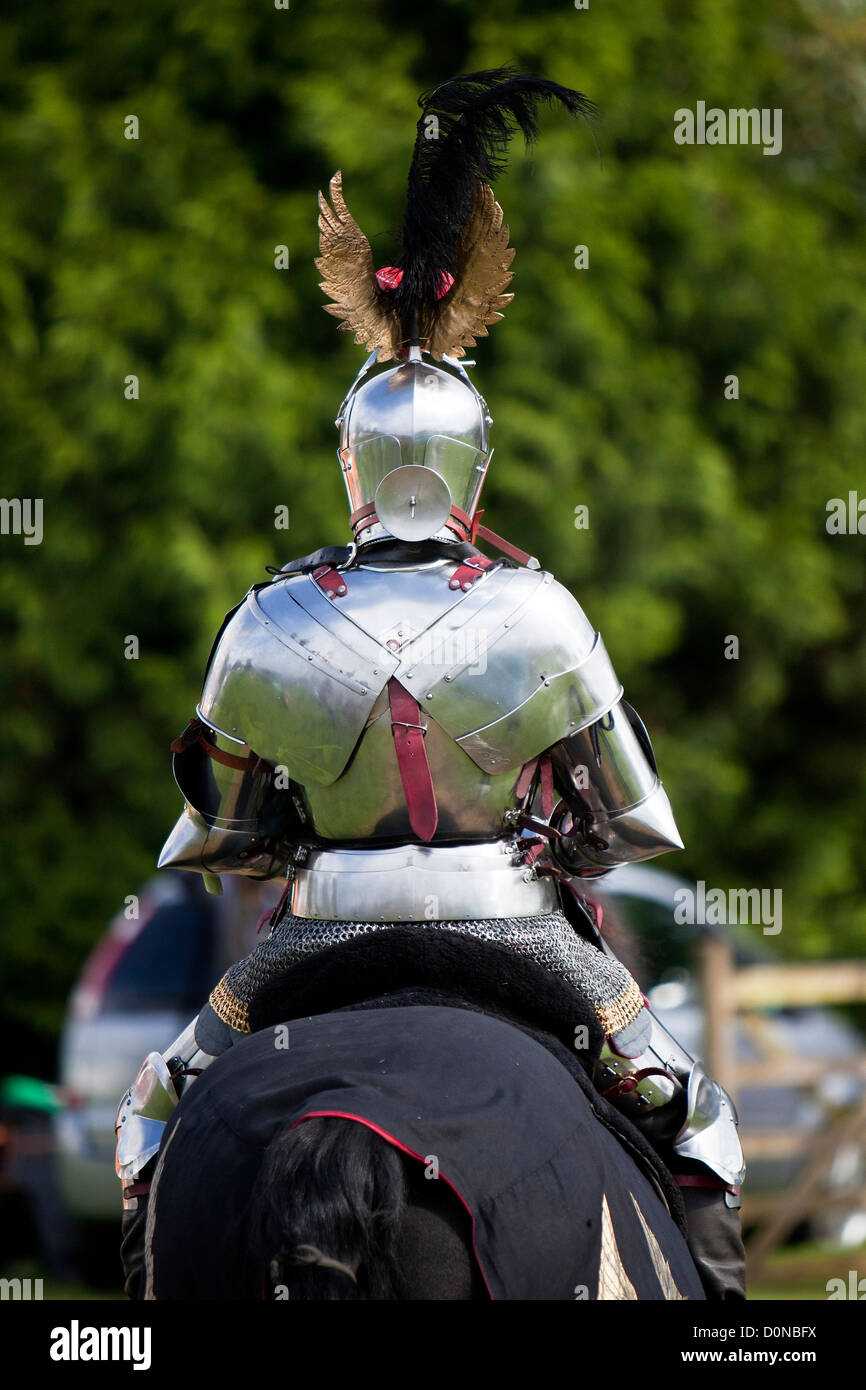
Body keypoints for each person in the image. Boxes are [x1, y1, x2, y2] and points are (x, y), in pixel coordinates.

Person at [116, 69, 746, 1300]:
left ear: (348, 462)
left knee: (149, 1122)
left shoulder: (266, 621)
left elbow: (219, 838)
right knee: (695, 1119)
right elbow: (632, 822)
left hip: (317, 942)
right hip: (513, 931)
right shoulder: (537, 610)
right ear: (474, 466)